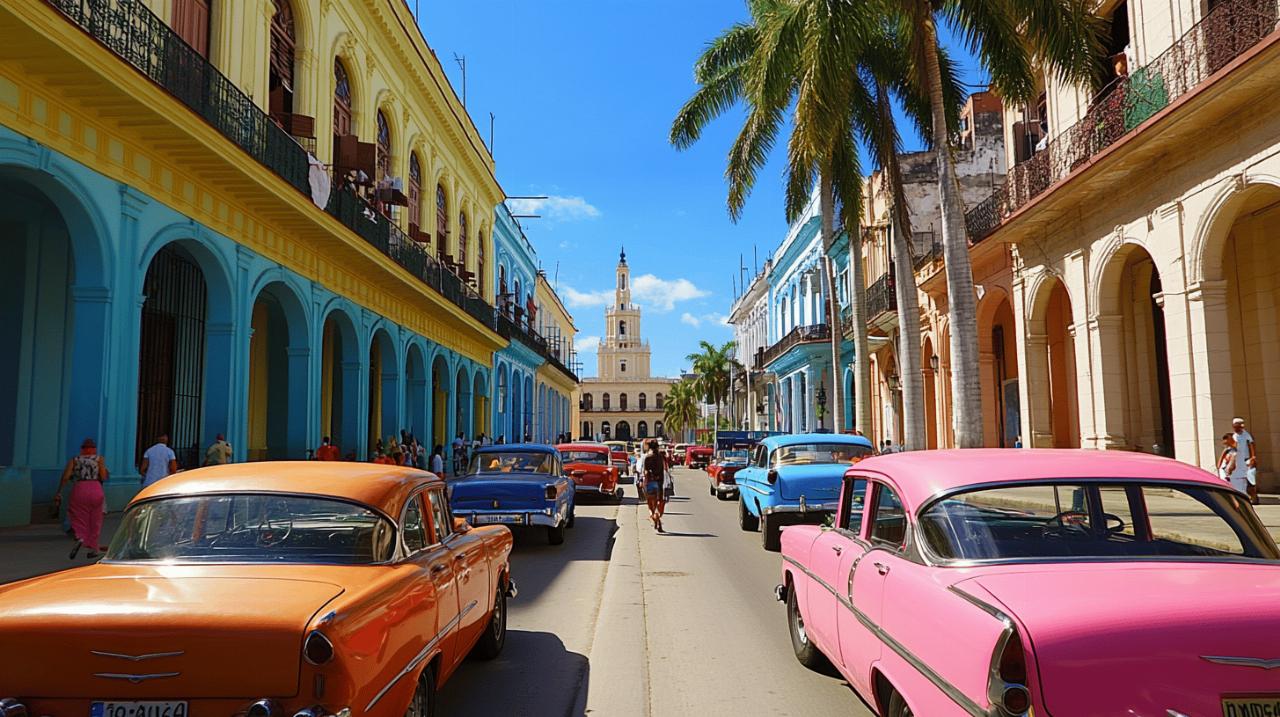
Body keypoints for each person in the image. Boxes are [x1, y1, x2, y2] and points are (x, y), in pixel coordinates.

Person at [56, 438, 108, 559]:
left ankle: (81, 537)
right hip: (96, 488)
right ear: (94, 449)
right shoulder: (99, 459)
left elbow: (65, 477)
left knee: (79, 515)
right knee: (96, 519)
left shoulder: (74, 460)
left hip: (80, 488)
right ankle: (94, 548)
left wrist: (59, 491)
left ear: (82, 449)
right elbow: (103, 476)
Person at [642, 439, 668, 532]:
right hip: (659, 483)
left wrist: (643, 483)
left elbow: (645, 472)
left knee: (650, 504)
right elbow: (665, 470)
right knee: (659, 503)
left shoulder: (647, 457)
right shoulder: (661, 457)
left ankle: (654, 516)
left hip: (650, 482)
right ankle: (657, 518)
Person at [1232, 417, 1259, 504]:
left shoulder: (1246, 434)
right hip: (1238, 461)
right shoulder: (1234, 436)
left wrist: (1253, 457)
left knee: (1251, 478)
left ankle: (1254, 497)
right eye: (1239, 425)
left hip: (1247, 460)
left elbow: (1251, 444)